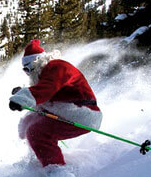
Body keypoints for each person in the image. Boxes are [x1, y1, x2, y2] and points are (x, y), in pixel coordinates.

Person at [9, 39, 102, 168]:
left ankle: (57, 172)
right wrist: (22, 94)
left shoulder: (57, 67)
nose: (28, 73)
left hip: (83, 113)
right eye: (25, 70)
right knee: (27, 123)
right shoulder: (46, 72)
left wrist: (22, 98)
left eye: (28, 69)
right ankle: (41, 160)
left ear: (37, 63)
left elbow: (46, 90)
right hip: (67, 111)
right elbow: (43, 91)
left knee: (36, 132)